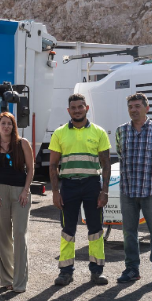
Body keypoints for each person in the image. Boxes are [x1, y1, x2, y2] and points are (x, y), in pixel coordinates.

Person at [49, 93, 111, 286]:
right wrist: (55, 192)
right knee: (68, 229)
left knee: (95, 230)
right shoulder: (59, 133)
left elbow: (106, 164)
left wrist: (105, 191)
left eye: (80, 107)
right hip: (69, 186)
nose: (77, 110)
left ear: (86, 108)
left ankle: (96, 271)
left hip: (92, 185)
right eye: (73, 108)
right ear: (69, 111)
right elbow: (52, 166)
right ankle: (66, 272)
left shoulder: (99, 132)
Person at [115, 93, 152, 285]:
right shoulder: (121, 130)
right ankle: (132, 269)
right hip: (128, 189)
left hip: (151, 189)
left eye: (138, 106)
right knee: (128, 232)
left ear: (146, 108)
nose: (134, 109)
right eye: (131, 106)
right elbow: (120, 155)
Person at [0, 112, 34, 293]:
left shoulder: (23, 144)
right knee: (2, 236)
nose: (6, 126)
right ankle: (6, 279)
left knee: (20, 234)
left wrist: (25, 190)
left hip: (20, 193)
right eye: (3, 123)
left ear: (14, 127)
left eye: (9, 124)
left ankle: (19, 282)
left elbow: (31, 170)